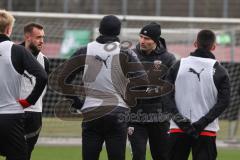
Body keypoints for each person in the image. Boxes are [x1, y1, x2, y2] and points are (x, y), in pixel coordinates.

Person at [61, 15, 148, 160]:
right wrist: (129, 101)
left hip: (91, 112)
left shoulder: (85, 50)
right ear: (118, 32)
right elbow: (143, 82)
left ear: (100, 29)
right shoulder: (125, 52)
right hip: (118, 111)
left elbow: (63, 79)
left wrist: (77, 103)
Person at [166, 29, 230, 160]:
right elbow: (224, 102)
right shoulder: (220, 70)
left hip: (178, 128)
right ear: (213, 47)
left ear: (195, 43)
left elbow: (165, 96)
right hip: (206, 130)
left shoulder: (178, 65)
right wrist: (201, 123)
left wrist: (181, 121)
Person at [0, 10, 47, 160]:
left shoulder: (43, 59)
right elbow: (42, 77)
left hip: (26, 113)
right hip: (11, 115)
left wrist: (30, 101)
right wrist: (27, 102)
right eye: (38, 37)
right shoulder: (16, 51)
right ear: (9, 29)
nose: (41, 40)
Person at [127, 22, 176, 160]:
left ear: (155, 40)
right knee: (138, 156)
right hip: (135, 117)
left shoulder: (168, 58)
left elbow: (171, 87)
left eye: (147, 38)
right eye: (141, 37)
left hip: (159, 118)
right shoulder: (130, 55)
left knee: (162, 156)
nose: (142, 41)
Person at [20, 22, 49, 160]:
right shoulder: (12, 54)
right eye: (38, 37)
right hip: (13, 111)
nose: (42, 41)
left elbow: (43, 87)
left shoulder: (45, 61)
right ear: (28, 37)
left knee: (26, 154)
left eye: (43, 37)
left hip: (34, 114)